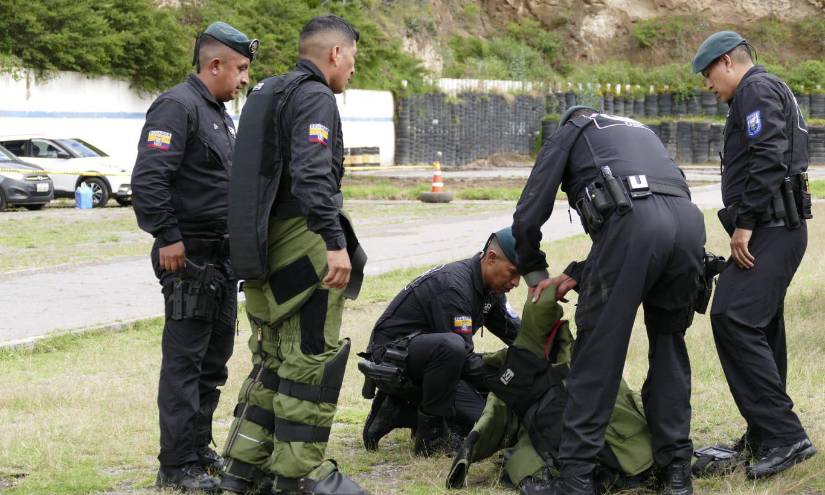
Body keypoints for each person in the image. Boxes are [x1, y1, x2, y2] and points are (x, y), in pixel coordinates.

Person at [512, 106, 706, 495]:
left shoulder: (573, 129)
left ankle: (576, 480)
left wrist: (533, 269)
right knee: (669, 349)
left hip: (633, 224)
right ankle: (676, 475)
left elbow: (531, 210)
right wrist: (584, 271)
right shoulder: (642, 132)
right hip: (689, 226)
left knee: (597, 356)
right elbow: (659, 211)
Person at [219, 15, 368, 495]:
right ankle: (297, 474)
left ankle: (243, 469)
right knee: (310, 362)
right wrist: (333, 241)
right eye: (352, 59)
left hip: (263, 249)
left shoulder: (269, 91)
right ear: (334, 54)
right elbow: (311, 176)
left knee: (273, 360)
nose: (352, 70)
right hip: (302, 247)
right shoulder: (315, 96)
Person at [131, 21, 256, 491]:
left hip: (220, 260)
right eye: (240, 69)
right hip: (188, 256)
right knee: (185, 362)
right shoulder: (177, 106)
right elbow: (148, 179)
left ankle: (198, 452)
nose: (244, 79)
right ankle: (176, 465)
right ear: (215, 64)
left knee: (213, 360)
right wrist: (168, 236)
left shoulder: (218, 114)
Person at [691, 31, 816, 479]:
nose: (709, 86)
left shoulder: (755, 89)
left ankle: (784, 436)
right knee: (760, 323)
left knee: (733, 316)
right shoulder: (767, 87)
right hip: (779, 226)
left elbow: (768, 156)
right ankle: (766, 432)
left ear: (727, 62)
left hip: (770, 228)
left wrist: (744, 226)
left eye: (709, 75)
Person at [359, 228, 521, 456]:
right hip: (391, 358)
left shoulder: (490, 289)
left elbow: (517, 333)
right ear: (491, 258)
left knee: (490, 415)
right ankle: (431, 438)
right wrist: (506, 371)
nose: (516, 282)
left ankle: (400, 411)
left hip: (430, 359)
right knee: (483, 420)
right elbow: (462, 359)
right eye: (513, 272)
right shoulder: (454, 286)